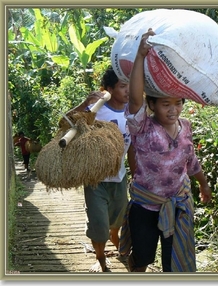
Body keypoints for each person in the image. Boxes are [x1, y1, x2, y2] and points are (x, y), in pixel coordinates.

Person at [119, 28, 212, 272]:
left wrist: (203, 184)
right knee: (142, 259)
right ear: (151, 105)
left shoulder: (186, 127)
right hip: (145, 206)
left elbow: (190, 161)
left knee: (174, 265)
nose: (173, 110)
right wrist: (140, 55)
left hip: (177, 205)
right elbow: (135, 100)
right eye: (165, 104)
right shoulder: (143, 127)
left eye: (178, 103)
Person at [70, 67, 134, 272]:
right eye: (123, 86)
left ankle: (117, 243)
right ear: (108, 89)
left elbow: (133, 147)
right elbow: (67, 123)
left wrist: (137, 175)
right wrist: (85, 103)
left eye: (130, 86)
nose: (128, 90)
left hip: (119, 178)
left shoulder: (133, 112)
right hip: (95, 179)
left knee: (117, 220)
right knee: (99, 225)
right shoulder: (97, 110)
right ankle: (100, 259)